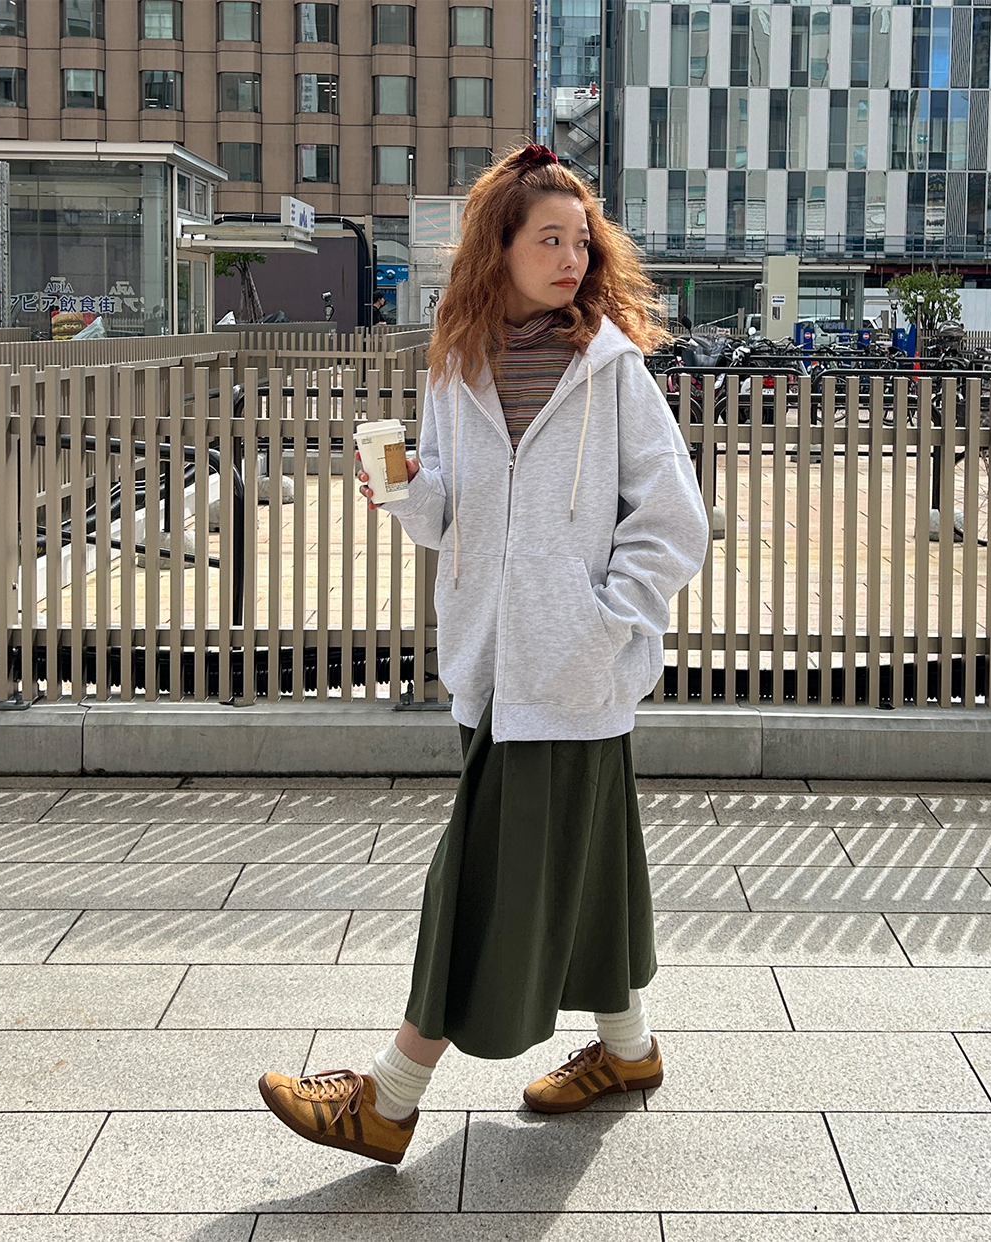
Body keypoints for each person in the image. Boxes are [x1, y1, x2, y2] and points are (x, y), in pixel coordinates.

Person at [258, 143, 709, 1166]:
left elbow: (673, 521)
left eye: (581, 242)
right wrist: (406, 492)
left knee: (474, 879)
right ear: (497, 248)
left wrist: (605, 618)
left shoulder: (613, 370)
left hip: (573, 666)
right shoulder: (455, 362)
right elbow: (449, 517)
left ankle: (389, 1097)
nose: (570, 259)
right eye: (548, 240)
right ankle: (629, 1052)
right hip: (492, 661)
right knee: (588, 866)